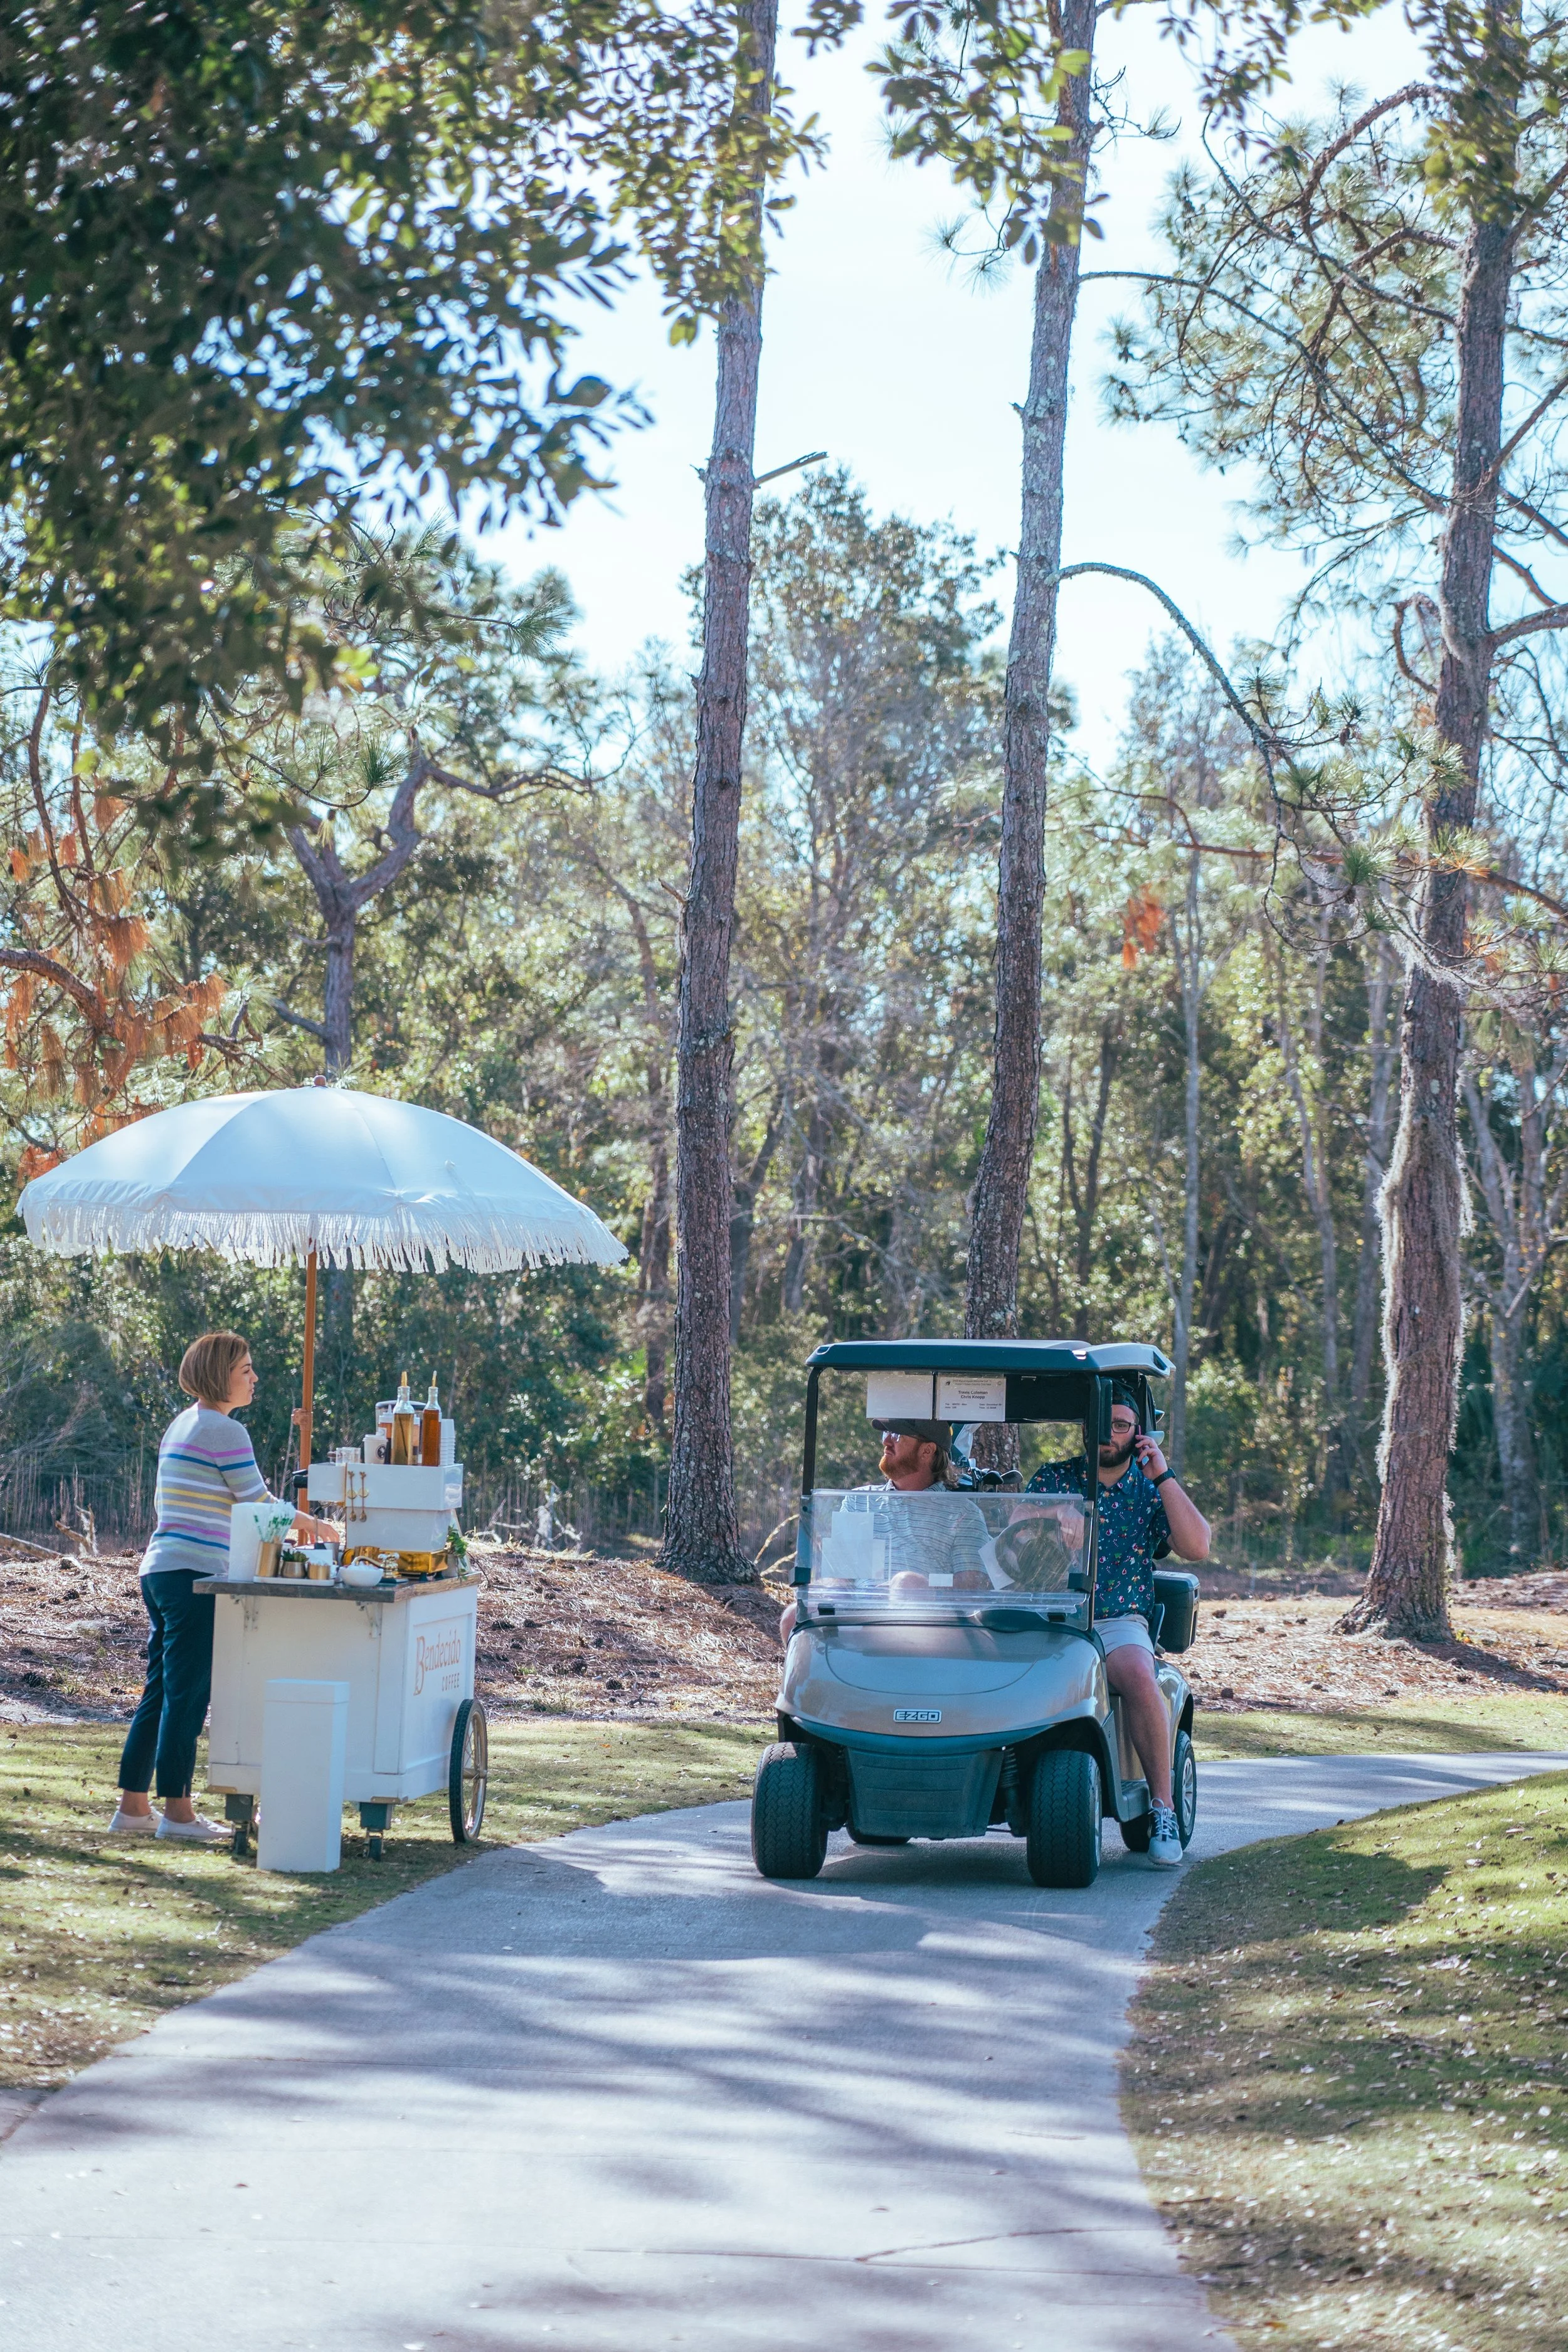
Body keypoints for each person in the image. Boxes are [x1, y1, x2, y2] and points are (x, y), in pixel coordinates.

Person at [110, 1330, 336, 1844]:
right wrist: (315, 1527)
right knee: (187, 1697)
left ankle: (133, 1807)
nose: (254, 1378)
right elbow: (256, 1503)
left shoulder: (182, 1424)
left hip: (161, 1569)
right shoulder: (223, 1431)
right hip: (193, 1576)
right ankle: (179, 1815)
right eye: (245, 1371)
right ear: (220, 1376)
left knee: (162, 1692)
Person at [1027, 1384, 1209, 1868]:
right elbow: (1012, 1523)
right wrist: (1055, 1513)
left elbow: (1197, 1545)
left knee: (1137, 1672)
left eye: (1122, 1426)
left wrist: (1164, 1474)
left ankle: (1163, 1809)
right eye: (1101, 1424)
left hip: (1116, 1619)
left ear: (1139, 1434)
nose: (1109, 1435)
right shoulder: (1054, 1479)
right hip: (1051, 1616)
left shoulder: (1149, 1490)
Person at [779, 1419, 985, 1641]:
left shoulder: (963, 1511)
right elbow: (842, 1577)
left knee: (906, 1584)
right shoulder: (860, 1501)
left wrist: (920, 1586)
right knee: (794, 1617)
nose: (886, 1441)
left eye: (897, 1436)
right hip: (862, 1616)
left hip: (932, 1627)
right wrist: (831, 1591)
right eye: (885, 1434)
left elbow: (973, 1585)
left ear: (927, 1450)